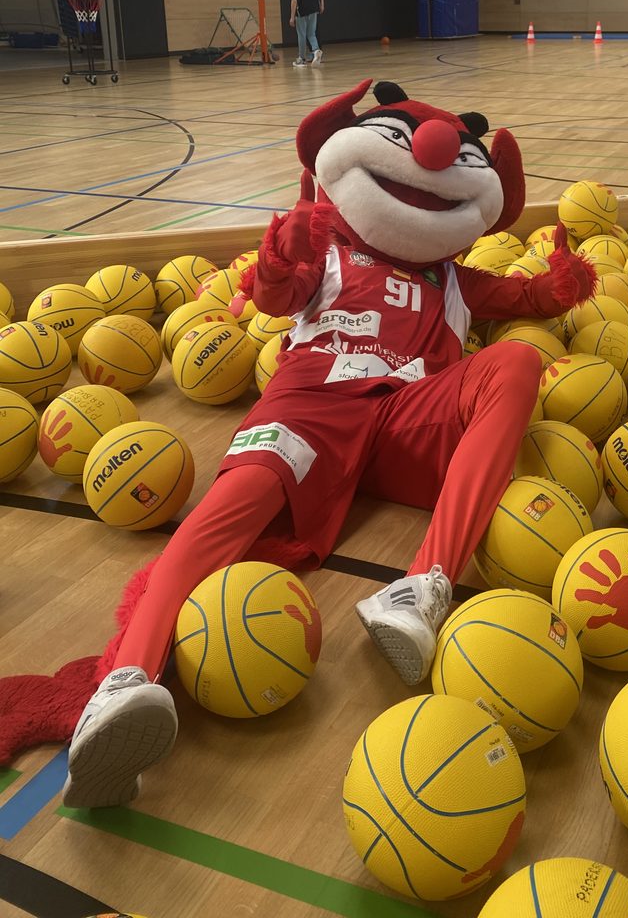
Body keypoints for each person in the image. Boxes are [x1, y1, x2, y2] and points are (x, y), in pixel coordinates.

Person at [32, 79, 598, 811]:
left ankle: (420, 587)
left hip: (407, 422)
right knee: (220, 520)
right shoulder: (326, 243)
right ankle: (125, 684)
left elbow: (529, 303)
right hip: (308, 410)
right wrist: (274, 259)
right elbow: (274, 297)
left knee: (518, 362)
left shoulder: (455, 278)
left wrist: (566, 279)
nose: (427, 163)